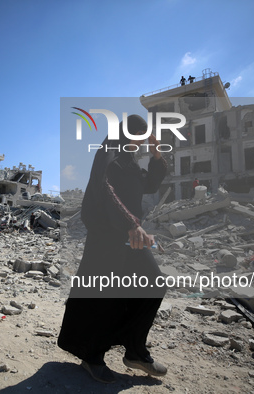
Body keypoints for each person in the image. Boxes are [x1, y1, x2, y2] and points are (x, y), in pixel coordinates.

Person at [58, 115, 168, 384]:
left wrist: (156, 156)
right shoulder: (109, 152)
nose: (142, 140)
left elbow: (150, 185)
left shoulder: (130, 160)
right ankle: (92, 357)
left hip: (130, 235)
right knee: (103, 296)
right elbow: (105, 188)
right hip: (107, 235)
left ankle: (135, 351)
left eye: (145, 136)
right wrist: (130, 223)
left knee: (154, 283)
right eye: (140, 135)